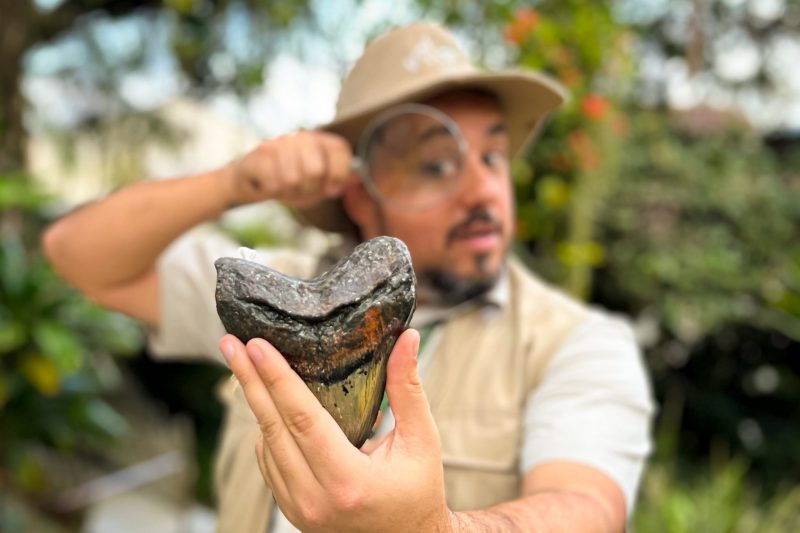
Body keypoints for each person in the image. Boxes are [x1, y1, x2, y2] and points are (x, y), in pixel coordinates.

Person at [44, 22, 653, 532]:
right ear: (361, 195)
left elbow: (588, 508)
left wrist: (434, 530)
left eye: (493, 155)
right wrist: (234, 183)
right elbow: (78, 255)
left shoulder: (576, 343)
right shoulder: (280, 297)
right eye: (437, 162)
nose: (482, 189)